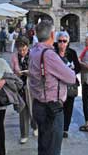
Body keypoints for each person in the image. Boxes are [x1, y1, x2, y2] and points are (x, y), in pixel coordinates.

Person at [28, 21, 76, 155]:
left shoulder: (34, 51)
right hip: (51, 107)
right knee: (53, 148)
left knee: (44, 146)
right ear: (52, 34)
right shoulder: (49, 54)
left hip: (38, 103)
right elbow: (71, 77)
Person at [10, 36, 37, 144]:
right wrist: (16, 73)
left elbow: (38, 70)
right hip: (20, 87)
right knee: (22, 109)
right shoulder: (14, 57)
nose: (22, 52)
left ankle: (35, 126)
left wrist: (29, 72)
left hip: (32, 86)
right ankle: (24, 134)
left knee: (33, 109)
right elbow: (12, 70)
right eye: (20, 50)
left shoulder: (33, 55)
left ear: (28, 47)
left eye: (24, 49)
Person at [54, 31, 80, 138]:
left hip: (69, 85)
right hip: (57, 85)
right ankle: (57, 127)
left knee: (68, 107)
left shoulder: (72, 53)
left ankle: (65, 129)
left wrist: (70, 71)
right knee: (57, 107)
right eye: (60, 41)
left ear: (68, 42)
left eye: (64, 41)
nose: (62, 43)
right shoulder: (53, 53)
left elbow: (78, 67)